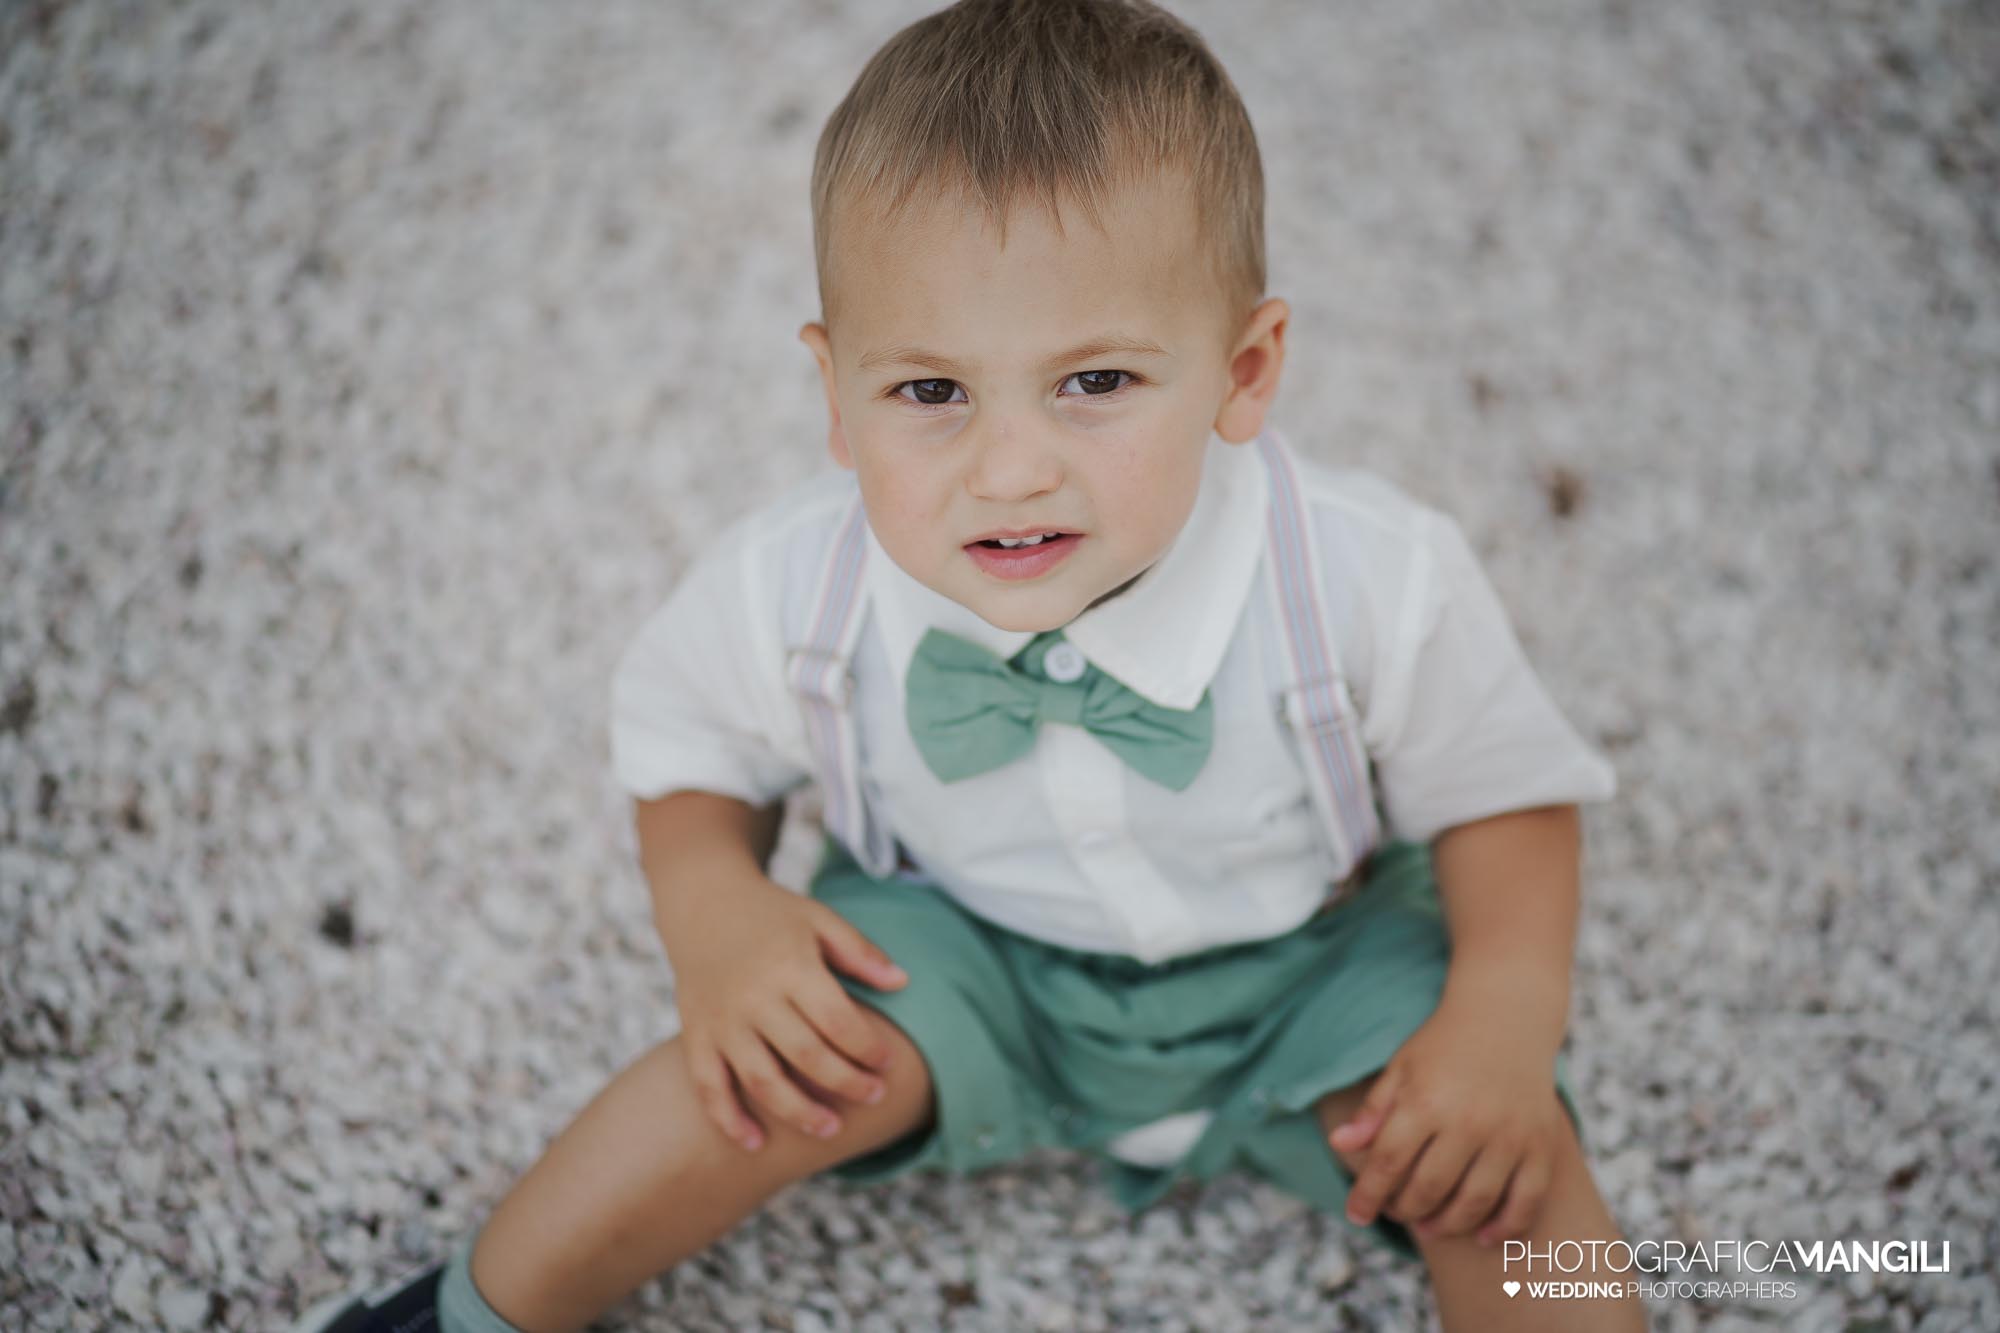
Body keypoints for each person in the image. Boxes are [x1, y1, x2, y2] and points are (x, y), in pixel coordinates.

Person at [293, 1, 1648, 1329]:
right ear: (835, 394)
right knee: (759, 1066)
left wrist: (1502, 1012)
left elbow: (1501, 795)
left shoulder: (1368, 574)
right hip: (958, 954)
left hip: (1313, 959)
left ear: (1244, 368)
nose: (1010, 468)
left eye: (1096, 382)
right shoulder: (794, 589)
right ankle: (473, 1309)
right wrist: (712, 907)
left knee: (1503, 1175)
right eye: (932, 392)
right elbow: (688, 748)